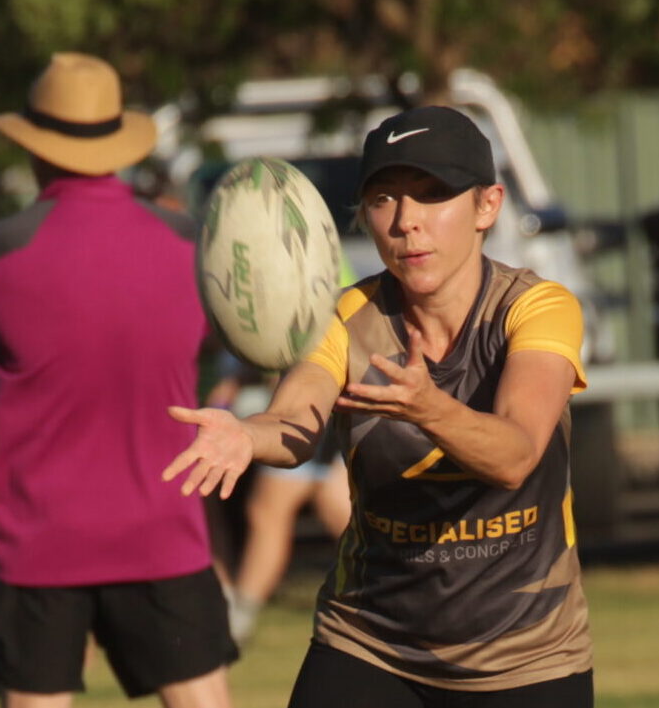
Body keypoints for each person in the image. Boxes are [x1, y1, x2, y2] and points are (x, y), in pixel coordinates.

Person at [163, 105, 594, 707]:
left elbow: (517, 454)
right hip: (370, 640)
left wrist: (428, 407)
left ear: (487, 206)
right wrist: (246, 436)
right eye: (385, 198)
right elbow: (295, 420)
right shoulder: (343, 317)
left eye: (432, 194)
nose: (407, 222)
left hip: (524, 656)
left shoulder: (535, 308)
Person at [0, 52, 236, 706]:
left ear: (34, 148)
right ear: (115, 144)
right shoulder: (187, 241)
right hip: (163, 532)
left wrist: (13, 392)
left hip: (38, 543)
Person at [222, 259, 357, 645]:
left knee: (270, 510)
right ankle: (402, 588)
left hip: (311, 401)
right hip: (315, 401)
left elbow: (304, 334)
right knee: (336, 504)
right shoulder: (307, 248)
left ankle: (238, 620)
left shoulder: (296, 253)